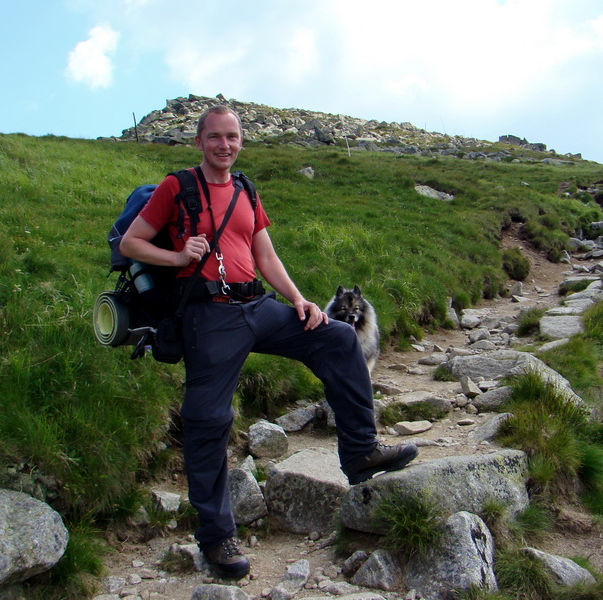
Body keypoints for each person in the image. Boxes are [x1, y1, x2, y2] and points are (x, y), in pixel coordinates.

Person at [119, 105, 417, 579]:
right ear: (200, 142)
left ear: (241, 141)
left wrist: (300, 300)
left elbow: (264, 253)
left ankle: (360, 452)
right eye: (214, 137)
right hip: (209, 316)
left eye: (232, 136)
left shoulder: (245, 189)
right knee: (208, 419)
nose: (224, 144)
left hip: (257, 307)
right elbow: (131, 243)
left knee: (338, 338)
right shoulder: (178, 187)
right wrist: (177, 254)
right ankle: (217, 538)